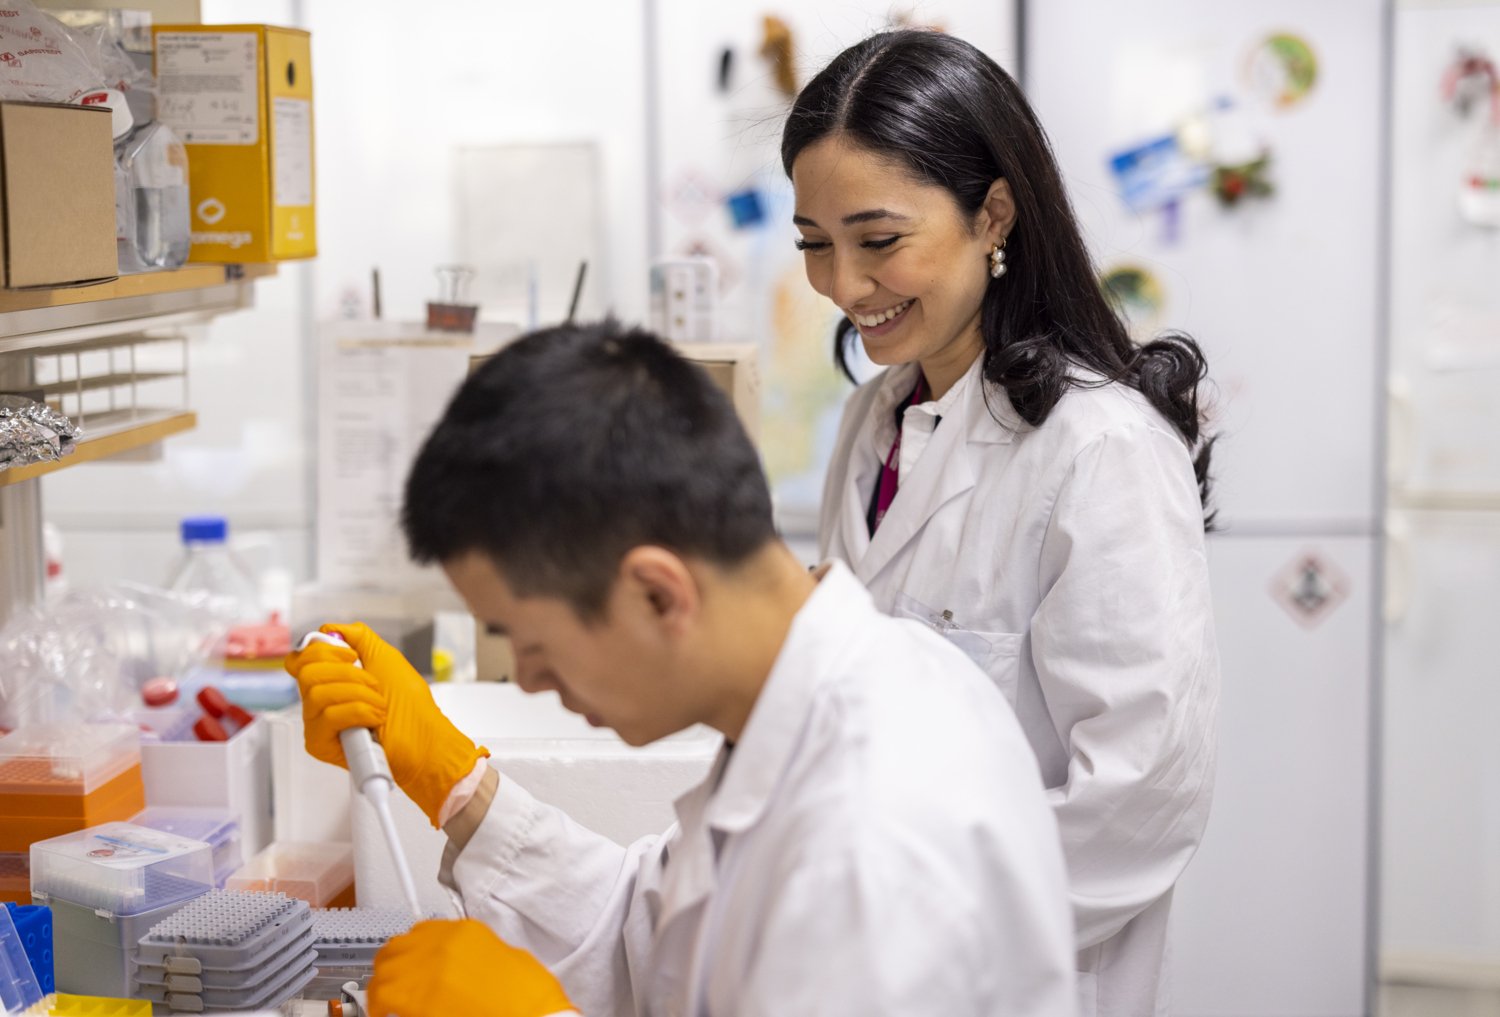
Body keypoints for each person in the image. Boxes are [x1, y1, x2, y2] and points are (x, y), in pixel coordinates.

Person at [285, 321, 1078, 1016]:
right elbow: (652, 937)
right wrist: (454, 782)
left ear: (658, 593)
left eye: (531, 640)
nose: (526, 680)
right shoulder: (814, 704)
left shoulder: (873, 844)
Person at [782, 30, 1221, 1017]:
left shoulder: (1097, 448)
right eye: (815, 244)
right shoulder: (876, 417)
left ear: (994, 213)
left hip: (1007, 977)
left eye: (879, 240)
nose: (846, 287)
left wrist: (913, 922)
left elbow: (1141, 800)